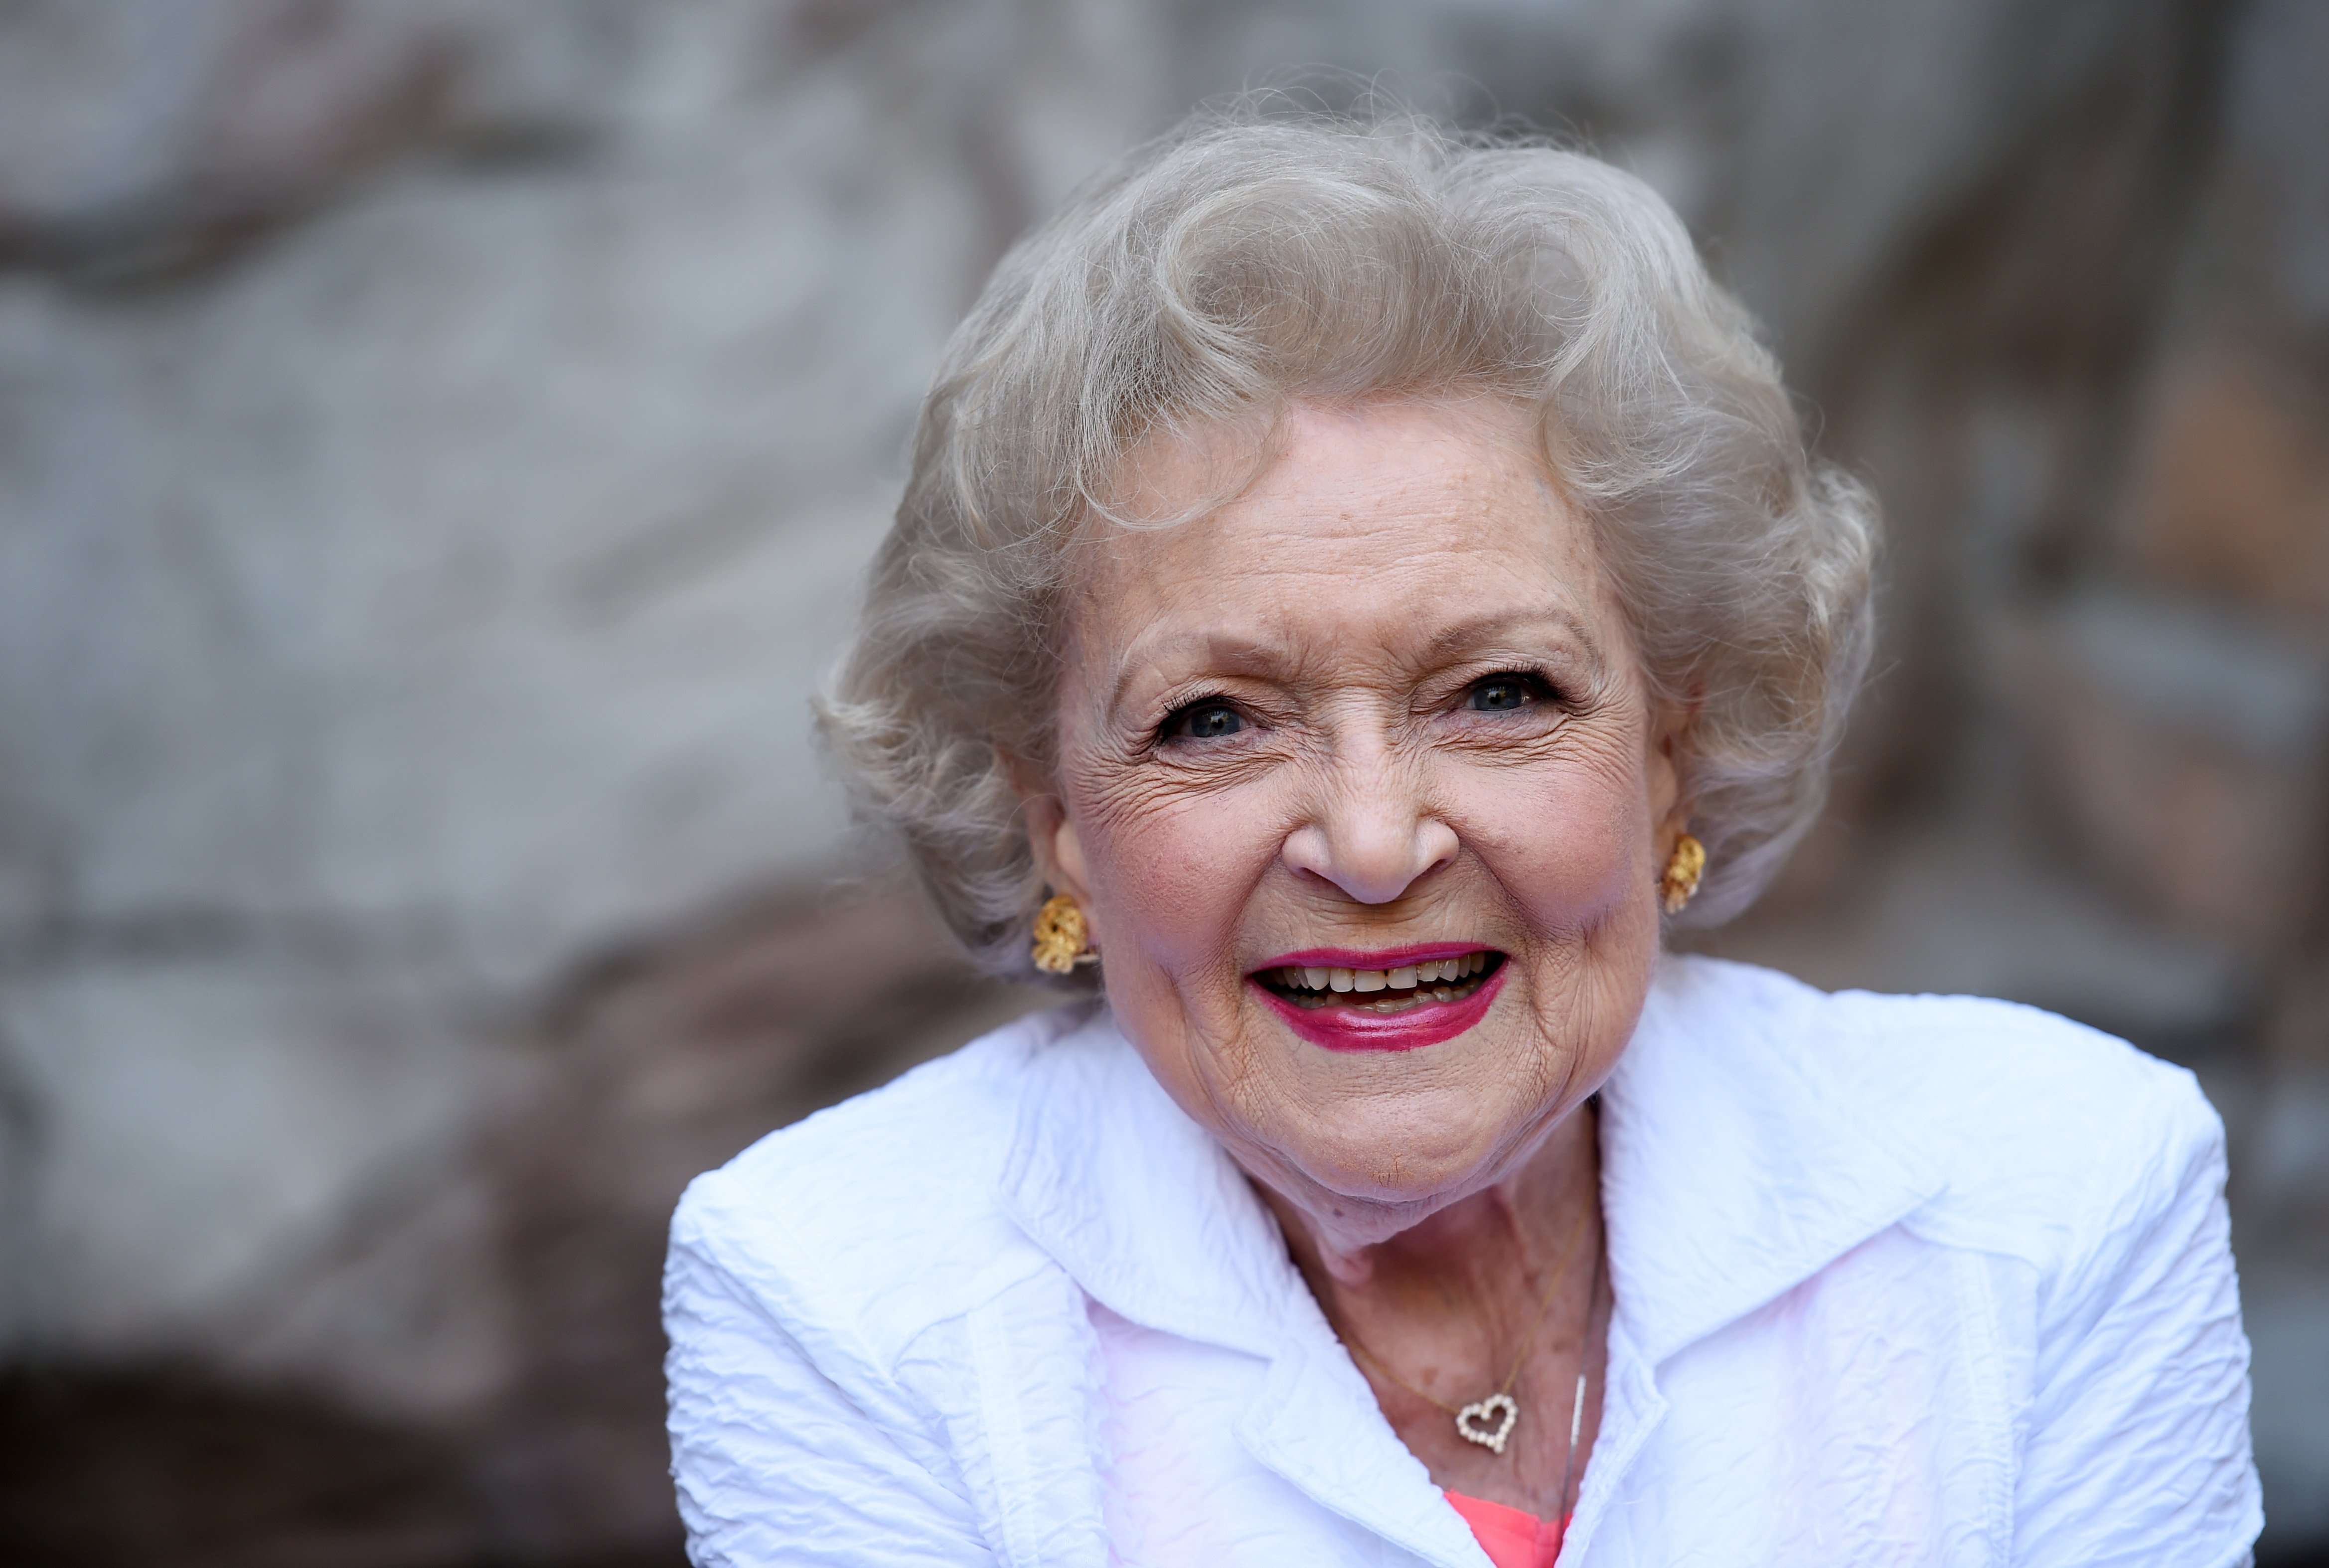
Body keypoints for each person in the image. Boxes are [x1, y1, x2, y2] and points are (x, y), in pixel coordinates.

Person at [661, 107, 2260, 1567]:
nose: (1368, 842)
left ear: (1669, 755)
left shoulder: (2047, 1192)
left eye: (1497, 692)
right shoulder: (848, 1293)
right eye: (1212, 718)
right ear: (1056, 822)